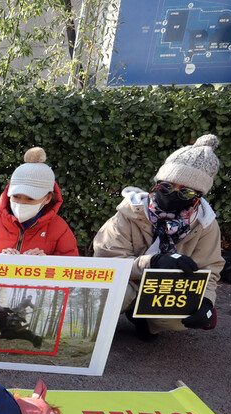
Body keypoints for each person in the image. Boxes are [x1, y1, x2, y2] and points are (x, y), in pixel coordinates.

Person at [92, 134, 224, 340]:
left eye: (186, 192)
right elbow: (106, 262)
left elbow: (210, 270)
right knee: (112, 294)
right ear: (157, 183)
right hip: (130, 281)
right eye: (167, 186)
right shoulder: (128, 213)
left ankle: (147, 321)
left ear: (199, 195)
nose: (173, 194)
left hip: (168, 287)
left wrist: (206, 302)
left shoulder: (205, 224)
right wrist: (153, 262)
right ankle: (102, 324)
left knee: (180, 316)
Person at [0, 147, 78, 256]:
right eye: (16, 196)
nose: (21, 203)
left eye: (30, 198)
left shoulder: (59, 229)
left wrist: (45, 264)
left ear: (47, 198)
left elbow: (70, 270)